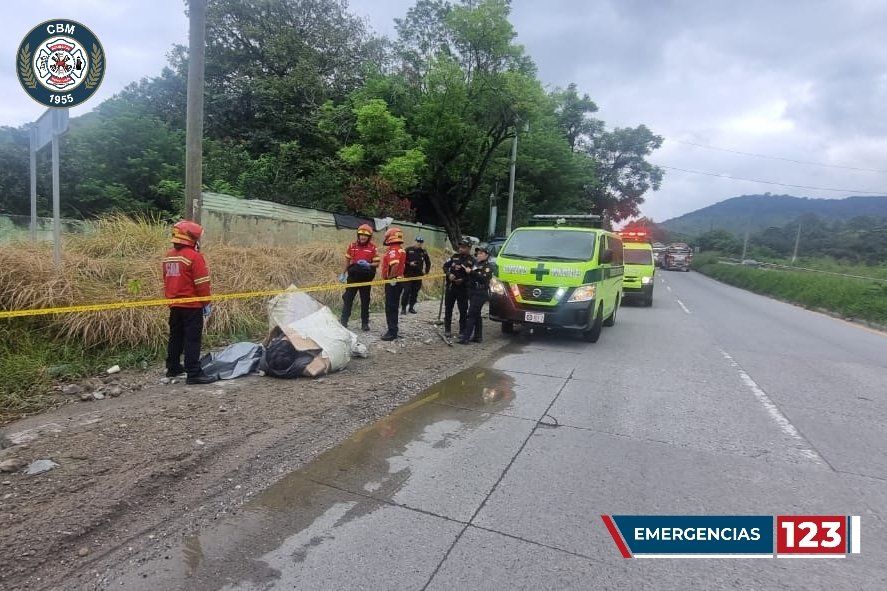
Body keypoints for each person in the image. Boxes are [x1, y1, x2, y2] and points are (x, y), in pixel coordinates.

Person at [163, 221, 217, 385]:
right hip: (192, 306)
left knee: (176, 337)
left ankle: (172, 367)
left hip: (175, 304)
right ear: (192, 238)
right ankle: (194, 373)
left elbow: (166, 279)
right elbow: (202, 283)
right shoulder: (194, 257)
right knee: (192, 339)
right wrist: (206, 302)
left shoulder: (169, 256)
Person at [340, 224, 379, 331]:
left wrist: (368, 264)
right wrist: (343, 273)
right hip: (353, 277)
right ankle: (343, 321)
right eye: (361, 235)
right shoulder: (352, 246)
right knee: (348, 299)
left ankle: (365, 323)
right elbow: (347, 261)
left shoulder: (373, 248)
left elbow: (377, 263)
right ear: (358, 235)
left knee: (365, 301)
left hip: (366, 279)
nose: (363, 237)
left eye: (365, 236)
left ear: (369, 237)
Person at [459, 246, 495, 344]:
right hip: (473, 291)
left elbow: (483, 279)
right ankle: (478, 336)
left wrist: (472, 272)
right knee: (477, 314)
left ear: (486, 255)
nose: (478, 255)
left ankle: (465, 338)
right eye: (478, 253)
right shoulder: (476, 264)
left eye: (481, 253)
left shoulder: (488, 267)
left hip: (481, 292)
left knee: (471, 314)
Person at [442, 238, 475, 338]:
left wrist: (463, 280)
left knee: (463, 310)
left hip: (463, 289)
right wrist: (449, 274)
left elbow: (473, 275)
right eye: (460, 247)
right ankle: (447, 329)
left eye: (463, 247)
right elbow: (445, 266)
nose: (461, 249)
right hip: (451, 287)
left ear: (469, 248)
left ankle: (462, 331)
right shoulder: (454, 257)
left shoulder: (472, 260)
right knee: (448, 308)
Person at [380, 227, 407, 341]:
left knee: (390, 307)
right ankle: (394, 329)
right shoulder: (400, 249)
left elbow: (395, 265)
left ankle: (392, 332)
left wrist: (389, 278)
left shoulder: (393, 250)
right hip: (398, 282)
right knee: (394, 306)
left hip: (393, 282)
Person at [400, 235, 432, 314]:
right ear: (415, 241)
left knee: (415, 292)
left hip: (418, 275)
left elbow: (428, 262)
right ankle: (403, 308)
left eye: (421, 242)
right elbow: (402, 260)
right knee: (406, 291)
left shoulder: (423, 252)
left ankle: (411, 307)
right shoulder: (408, 249)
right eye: (418, 241)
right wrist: (409, 263)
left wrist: (426, 271)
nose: (419, 243)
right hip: (408, 274)